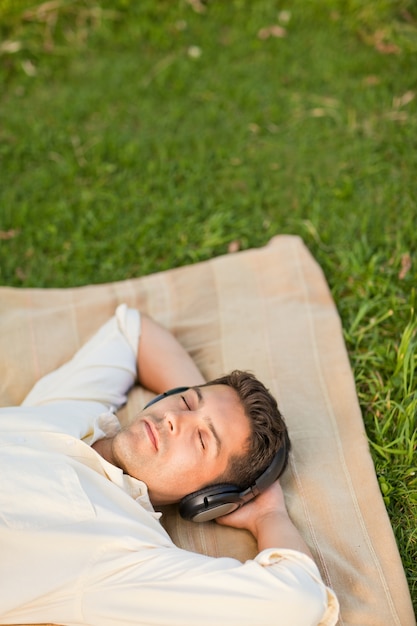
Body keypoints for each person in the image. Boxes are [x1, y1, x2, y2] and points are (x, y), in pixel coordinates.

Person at [0, 304, 339, 625]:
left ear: (210, 498)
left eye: (202, 439)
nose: (175, 419)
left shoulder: (123, 552)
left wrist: (269, 516)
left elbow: (297, 599)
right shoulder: (79, 410)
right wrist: (199, 391)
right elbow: (132, 331)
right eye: (187, 401)